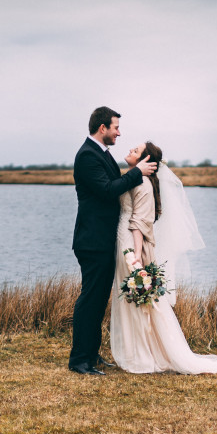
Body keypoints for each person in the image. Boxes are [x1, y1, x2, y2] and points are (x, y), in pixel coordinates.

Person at [109, 141, 217, 374]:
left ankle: (145, 355)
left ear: (146, 161)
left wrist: (136, 255)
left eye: (135, 151)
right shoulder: (135, 178)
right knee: (133, 299)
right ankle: (137, 351)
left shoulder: (143, 182)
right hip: (123, 239)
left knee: (139, 300)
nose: (129, 151)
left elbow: (140, 223)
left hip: (130, 245)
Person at [69, 106, 157, 376]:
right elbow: (107, 191)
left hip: (104, 240)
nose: (119, 132)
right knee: (90, 300)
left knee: (97, 301)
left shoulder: (101, 154)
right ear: (102, 128)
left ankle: (91, 354)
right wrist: (137, 172)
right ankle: (79, 361)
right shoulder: (87, 156)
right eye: (116, 127)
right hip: (92, 240)